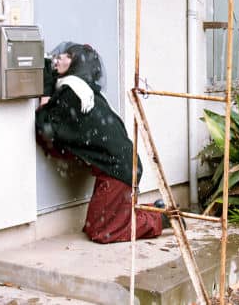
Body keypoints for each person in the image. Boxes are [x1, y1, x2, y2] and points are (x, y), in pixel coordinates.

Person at [35, 43, 168, 243]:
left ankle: (161, 219)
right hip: (120, 166)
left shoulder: (73, 93)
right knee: (93, 225)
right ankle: (148, 210)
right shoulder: (84, 90)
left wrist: (45, 87)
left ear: (77, 64)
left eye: (68, 56)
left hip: (118, 170)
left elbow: (46, 125)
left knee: (102, 232)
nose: (60, 58)